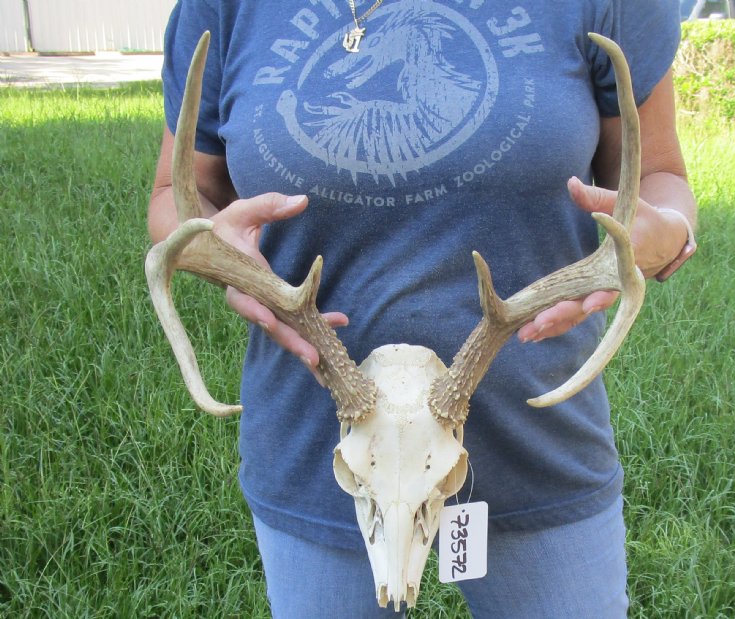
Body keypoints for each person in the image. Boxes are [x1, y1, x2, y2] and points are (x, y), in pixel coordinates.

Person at [148, 1, 697, 616]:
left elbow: (661, 178)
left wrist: (664, 236)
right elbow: (177, 196)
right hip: (325, 459)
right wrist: (210, 247)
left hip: (536, 450)